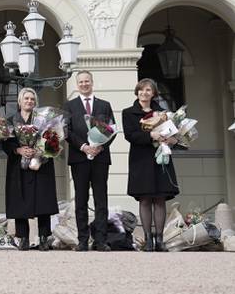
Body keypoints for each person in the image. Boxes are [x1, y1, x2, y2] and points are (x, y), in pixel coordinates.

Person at [123, 78, 180, 252]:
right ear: (137, 92)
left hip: (160, 158)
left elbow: (175, 135)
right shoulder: (128, 113)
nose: (144, 93)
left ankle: (160, 240)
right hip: (141, 160)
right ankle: (148, 240)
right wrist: (151, 136)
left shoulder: (163, 113)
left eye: (148, 90)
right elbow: (130, 135)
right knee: (145, 199)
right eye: (141, 90)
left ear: (153, 93)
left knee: (160, 198)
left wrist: (172, 139)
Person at [63, 70, 116, 252]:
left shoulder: (104, 105)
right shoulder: (69, 106)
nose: (84, 84)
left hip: (100, 158)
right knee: (81, 200)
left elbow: (112, 130)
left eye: (87, 81)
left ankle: (100, 241)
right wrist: (84, 147)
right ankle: (83, 240)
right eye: (81, 82)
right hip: (79, 158)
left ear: (92, 83)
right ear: (77, 85)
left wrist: (100, 146)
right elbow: (67, 131)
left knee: (101, 200)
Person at [3, 88, 59, 251]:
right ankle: (23, 238)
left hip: (41, 165)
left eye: (32, 99)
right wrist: (18, 150)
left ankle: (43, 238)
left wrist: (41, 149)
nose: (29, 101)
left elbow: (53, 140)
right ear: (20, 101)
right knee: (20, 201)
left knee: (43, 201)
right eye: (26, 98)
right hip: (18, 166)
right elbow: (5, 143)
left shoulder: (44, 119)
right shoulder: (11, 120)